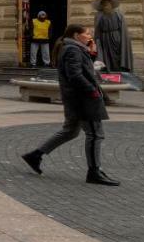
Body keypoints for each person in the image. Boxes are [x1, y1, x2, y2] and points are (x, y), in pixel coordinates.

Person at [20, 23, 119, 186]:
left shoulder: (75, 48)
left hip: (75, 99)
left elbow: (83, 69)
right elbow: (75, 75)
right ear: (76, 35)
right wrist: (91, 91)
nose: (89, 36)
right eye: (86, 34)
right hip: (82, 99)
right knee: (95, 134)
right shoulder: (72, 49)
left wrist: (92, 54)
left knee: (70, 132)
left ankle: (35, 155)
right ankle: (94, 171)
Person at [94, 0, 133, 73]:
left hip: (116, 37)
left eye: (107, 5)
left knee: (117, 56)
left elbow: (123, 28)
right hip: (104, 38)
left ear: (111, 5)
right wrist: (97, 41)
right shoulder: (99, 15)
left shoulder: (118, 14)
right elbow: (97, 29)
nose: (106, 7)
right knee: (106, 56)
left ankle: (118, 72)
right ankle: (108, 71)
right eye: (104, 5)